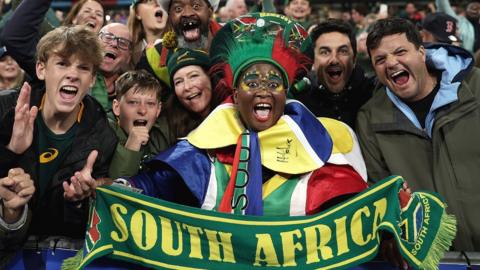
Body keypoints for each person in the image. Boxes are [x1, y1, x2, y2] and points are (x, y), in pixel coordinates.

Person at [126, 13, 368, 216]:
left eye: (273, 84)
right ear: (235, 94)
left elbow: (351, 201)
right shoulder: (205, 146)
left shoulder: (318, 142)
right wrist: (129, 187)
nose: (263, 92)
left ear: (285, 95)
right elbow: (162, 182)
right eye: (251, 83)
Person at [356, 17, 480, 251]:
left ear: (421, 52)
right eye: (380, 59)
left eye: (400, 52)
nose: (391, 63)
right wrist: (390, 236)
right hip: (429, 258)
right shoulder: (370, 119)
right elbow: (378, 193)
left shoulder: (475, 88)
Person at [0, 25, 117, 267]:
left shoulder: (102, 136)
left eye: (83, 67)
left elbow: (74, 229)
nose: (73, 74)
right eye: (62, 63)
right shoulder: (5, 110)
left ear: (92, 79)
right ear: (41, 69)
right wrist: (10, 151)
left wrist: (76, 202)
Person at [1, 0, 132, 117]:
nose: (114, 44)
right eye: (108, 37)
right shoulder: (55, 58)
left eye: (123, 42)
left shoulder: (132, 88)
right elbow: (16, 36)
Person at [294, 19, 374, 129]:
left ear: (354, 59)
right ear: (313, 60)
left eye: (343, 51)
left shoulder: (372, 95)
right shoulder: (300, 105)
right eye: (325, 52)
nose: (334, 60)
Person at [136, 0, 222, 90]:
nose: (187, 13)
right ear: (170, 17)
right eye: (178, 8)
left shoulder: (234, 41)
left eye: (196, 6)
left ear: (210, 12)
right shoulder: (155, 57)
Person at [109, 70, 170, 179]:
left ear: (158, 109)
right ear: (116, 107)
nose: (142, 110)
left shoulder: (162, 135)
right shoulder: (102, 132)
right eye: (133, 102)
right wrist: (131, 147)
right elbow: (116, 189)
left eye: (150, 103)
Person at [128, 0, 168, 65]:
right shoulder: (127, 54)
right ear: (137, 13)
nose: (157, 4)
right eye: (149, 1)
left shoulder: (182, 50)